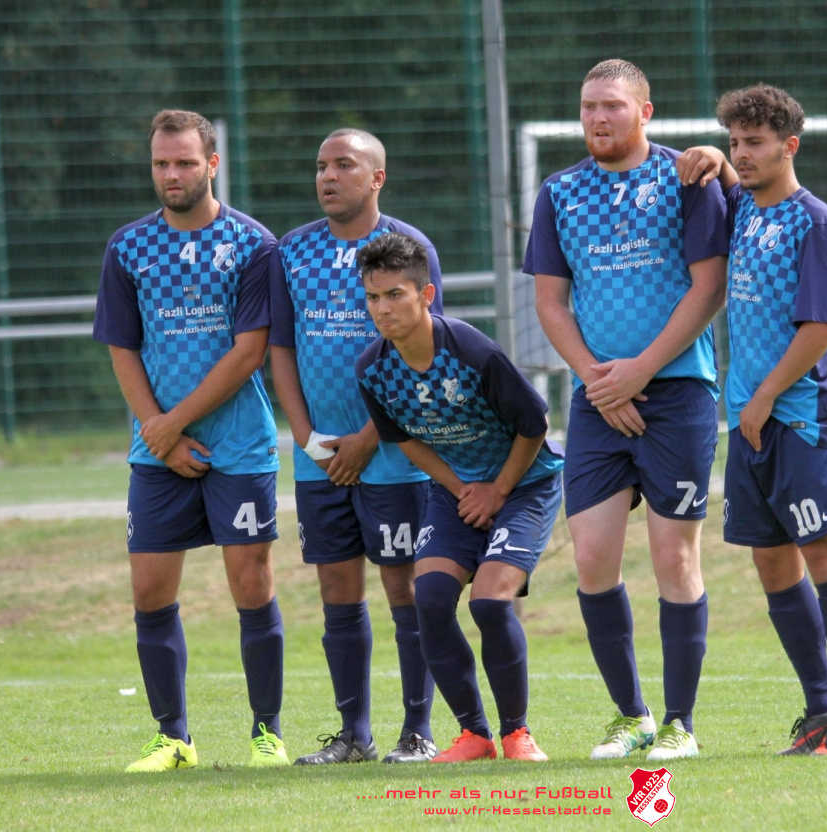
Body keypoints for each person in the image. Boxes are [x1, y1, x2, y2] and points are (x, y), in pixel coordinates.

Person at [523, 58, 728, 761]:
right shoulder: (560, 192)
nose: (597, 117)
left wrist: (641, 369)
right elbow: (550, 301)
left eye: (612, 104)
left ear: (645, 111)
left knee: (674, 556)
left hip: (678, 393)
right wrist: (596, 379)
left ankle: (680, 724)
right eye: (588, 106)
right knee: (591, 558)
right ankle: (631, 716)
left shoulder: (686, 177)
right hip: (596, 398)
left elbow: (708, 287)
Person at [677, 83, 827, 755]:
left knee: (824, 556)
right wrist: (713, 156)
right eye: (735, 141)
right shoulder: (743, 210)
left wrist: (764, 396)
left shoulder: (814, 221)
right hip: (749, 422)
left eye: (755, 142)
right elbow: (728, 181)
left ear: (790, 146)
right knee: (771, 562)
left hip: (803, 418)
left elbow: (822, 325)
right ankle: (818, 709)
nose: (742, 153)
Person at [93, 109, 287, 772]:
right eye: (161, 163)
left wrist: (172, 423)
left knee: (251, 583)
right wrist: (160, 432)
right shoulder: (127, 247)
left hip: (238, 444)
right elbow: (122, 348)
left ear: (212, 164)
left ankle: (266, 735)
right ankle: (173, 738)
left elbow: (248, 351)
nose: (171, 174)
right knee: (149, 590)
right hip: (157, 450)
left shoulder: (253, 243)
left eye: (184, 162)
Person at [354, 233, 564, 763]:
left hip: (526, 484)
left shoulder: (473, 352)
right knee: (428, 600)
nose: (382, 308)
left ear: (426, 295)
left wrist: (497, 490)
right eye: (373, 297)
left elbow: (535, 425)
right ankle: (475, 735)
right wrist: (460, 489)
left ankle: (517, 734)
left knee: (489, 603)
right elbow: (403, 440)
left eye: (395, 295)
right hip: (459, 491)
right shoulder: (372, 369)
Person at [269, 128, 440, 765]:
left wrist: (372, 436)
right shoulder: (290, 251)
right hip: (319, 458)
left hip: (394, 454)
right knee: (337, 592)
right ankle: (353, 736)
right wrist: (305, 436)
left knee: (407, 594)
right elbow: (280, 348)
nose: (328, 176)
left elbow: (425, 350)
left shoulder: (409, 247)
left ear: (377, 178)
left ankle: (418, 732)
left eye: (344, 164)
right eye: (321, 166)